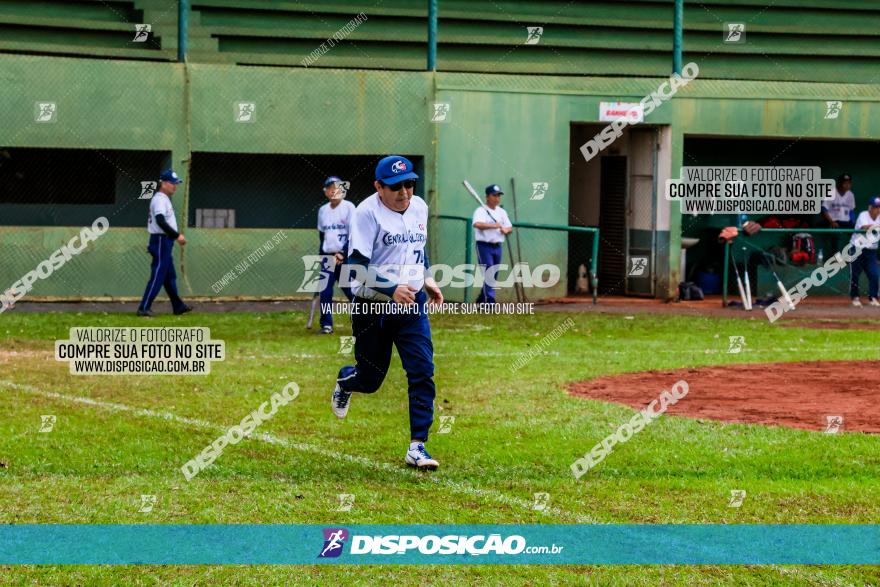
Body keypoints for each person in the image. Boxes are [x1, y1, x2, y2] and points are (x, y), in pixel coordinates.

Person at [331, 155, 444, 471]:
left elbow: (418, 251)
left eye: (409, 184)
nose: (404, 192)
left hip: (412, 305)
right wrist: (392, 287)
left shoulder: (419, 206)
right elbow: (355, 267)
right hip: (372, 308)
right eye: (395, 187)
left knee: (422, 371)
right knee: (370, 380)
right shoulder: (366, 213)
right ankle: (345, 382)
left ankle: (417, 446)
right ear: (378, 186)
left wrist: (427, 280)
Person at [137, 169, 192, 317]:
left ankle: (178, 306)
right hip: (161, 241)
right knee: (158, 275)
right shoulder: (160, 199)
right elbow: (160, 221)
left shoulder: (164, 198)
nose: (175, 186)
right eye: (172, 183)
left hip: (164, 242)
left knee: (169, 276)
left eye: (176, 184)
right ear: (164, 183)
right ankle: (144, 307)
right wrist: (176, 236)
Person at [316, 176, 355, 334]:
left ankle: (362, 320)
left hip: (344, 257)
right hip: (328, 257)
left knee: (351, 291)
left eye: (337, 187)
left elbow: (354, 235)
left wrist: (342, 254)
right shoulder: (323, 210)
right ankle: (326, 325)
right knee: (324, 291)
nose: (334, 190)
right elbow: (322, 235)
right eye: (330, 188)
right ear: (326, 192)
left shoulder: (349, 208)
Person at [472, 184, 513, 304]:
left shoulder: (501, 212)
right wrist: (494, 225)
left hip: (497, 246)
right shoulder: (481, 211)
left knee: (493, 274)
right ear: (487, 196)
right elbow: (477, 224)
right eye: (494, 195)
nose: (497, 198)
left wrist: (506, 230)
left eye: (499, 195)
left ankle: (481, 300)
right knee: (489, 272)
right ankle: (489, 302)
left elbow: (509, 227)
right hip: (484, 246)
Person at [849, 197, 880, 307]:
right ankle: (855, 297)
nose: (877, 209)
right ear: (870, 207)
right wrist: (877, 226)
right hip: (857, 248)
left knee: (875, 275)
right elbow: (864, 227)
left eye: (879, 207)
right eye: (875, 207)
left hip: (871, 251)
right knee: (855, 275)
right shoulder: (863, 215)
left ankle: (873, 298)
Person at [823, 173, 856, 252]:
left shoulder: (850, 194)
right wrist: (831, 221)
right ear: (840, 183)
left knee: (857, 233)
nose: (848, 185)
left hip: (846, 221)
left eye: (849, 183)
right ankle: (835, 258)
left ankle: (852, 256)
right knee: (835, 233)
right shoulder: (831, 193)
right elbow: (824, 209)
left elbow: (851, 210)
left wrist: (853, 222)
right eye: (845, 183)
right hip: (834, 221)